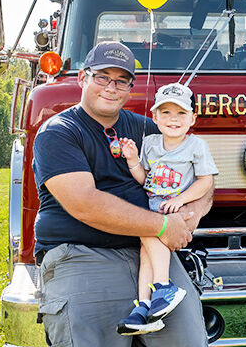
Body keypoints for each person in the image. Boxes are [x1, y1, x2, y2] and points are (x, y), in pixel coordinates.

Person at [32, 41, 212, 347]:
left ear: (130, 87)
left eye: (121, 81)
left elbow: (203, 180)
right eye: (102, 77)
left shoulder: (149, 131)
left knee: (189, 341)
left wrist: (186, 217)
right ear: (82, 79)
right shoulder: (58, 132)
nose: (111, 88)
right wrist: (164, 226)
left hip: (153, 254)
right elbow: (85, 204)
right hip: (82, 255)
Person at [116, 82, 217, 335]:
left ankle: (163, 286)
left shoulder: (196, 146)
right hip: (152, 205)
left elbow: (205, 181)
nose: (173, 119)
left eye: (181, 113)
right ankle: (144, 307)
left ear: (193, 118)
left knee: (148, 235)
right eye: (166, 112)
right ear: (154, 116)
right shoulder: (150, 143)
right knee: (144, 252)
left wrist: (181, 199)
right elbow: (145, 179)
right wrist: (132, 160)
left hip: (172, 211)